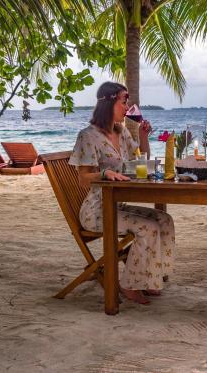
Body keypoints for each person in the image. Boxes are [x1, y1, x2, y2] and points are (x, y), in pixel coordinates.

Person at [69, 81, 175, 305]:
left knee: (164, 219)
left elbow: (140, 160)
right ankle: (129, 285)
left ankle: (150, 279)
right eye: (124, 100)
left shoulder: (122, 130)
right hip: (97, 210)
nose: (128, 106)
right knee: (148, 226)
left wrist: (144, 136)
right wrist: (105, 173)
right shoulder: (87, 136)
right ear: (108, 102)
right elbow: (82, 179)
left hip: (116, 204)